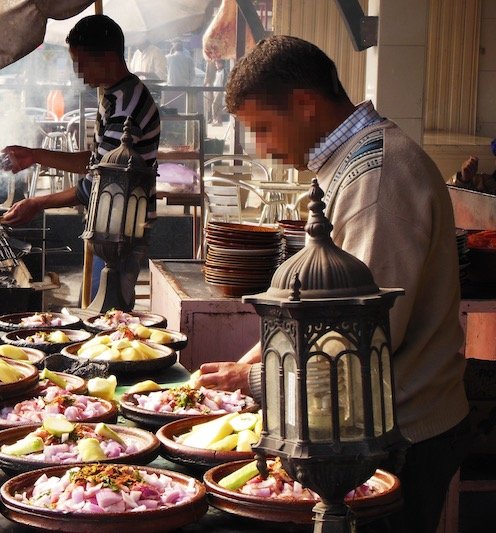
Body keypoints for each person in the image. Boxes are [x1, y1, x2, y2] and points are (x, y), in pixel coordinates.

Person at [194, 35, 470, 533]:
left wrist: (258, 383)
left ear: (304, 104)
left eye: (263, 128)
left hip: (396, 434)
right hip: (371, 426)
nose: (263, 148)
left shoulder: (376, 178)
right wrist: (256, 359)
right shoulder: (351, 165)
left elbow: (363, 334)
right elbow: (324, 304)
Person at [1, 14, 160, 310]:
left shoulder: (127, 107)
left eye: (83, 62)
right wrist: (35, 155)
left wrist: (37, 203)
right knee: (96, 309)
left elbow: (96, 185)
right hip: (108, 227)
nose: (78, 71)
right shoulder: (114, 95)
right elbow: (95, 163)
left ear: (108, 57)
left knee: (107, 316)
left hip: (122, 233)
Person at [164, 41, 194, 113]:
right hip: (184, 87)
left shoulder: (169, 58)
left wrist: (171, 51)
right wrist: (189, 83)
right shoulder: (189, 59)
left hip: (172, 86)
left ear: (174, 49)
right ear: (182, 49)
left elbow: (165, 69)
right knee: (184, 109)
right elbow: (192, 74)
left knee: (172, 108)